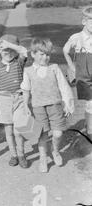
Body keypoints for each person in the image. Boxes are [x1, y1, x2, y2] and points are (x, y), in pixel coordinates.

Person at [22, 38, 74, 173]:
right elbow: (26, 90)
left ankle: (55, 151)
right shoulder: (28, 71)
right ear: (33, 54)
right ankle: (43, 158)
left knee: (57, 133)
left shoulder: (54, 68)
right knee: (42, 135)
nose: (45, 58)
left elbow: (64, 86)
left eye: (48, 54)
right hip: (38, 107)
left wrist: (67, 103)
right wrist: (25, 105)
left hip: (55, 106)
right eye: (42, 54)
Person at [0, 34, 29, 168]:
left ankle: (21, 154)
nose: (8, 53)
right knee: (8, 130)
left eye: (11, 50)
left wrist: (10, 45)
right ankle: (13, 155)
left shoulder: (19, 61)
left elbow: (24, 51)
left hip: (19, 98)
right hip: (4, 99)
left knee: (18, 130)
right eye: (4, 50)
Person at [63, 6, 92, 139]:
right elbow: (65, 50)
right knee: (90, 103)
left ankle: (89, 125)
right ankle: (90, 129)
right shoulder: (77, 37)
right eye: (91, 20)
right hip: (84, 75)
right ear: (84, 21)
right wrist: (71, 65)